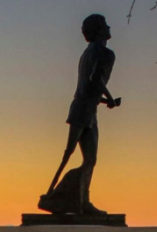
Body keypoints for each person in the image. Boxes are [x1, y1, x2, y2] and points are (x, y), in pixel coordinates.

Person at [39, 14, 119, 215]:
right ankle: (60, 198)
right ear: (98, 30)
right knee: (77, 156)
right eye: (105, 25)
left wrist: (103, 100)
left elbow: (88, 89)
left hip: (85, 108)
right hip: (84, 109)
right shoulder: (105, 53)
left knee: (83, 158)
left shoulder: (86, 53)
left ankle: (80, 201)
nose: (109, 28)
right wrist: (109, 98)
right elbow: (95, 80)